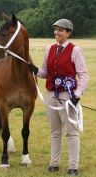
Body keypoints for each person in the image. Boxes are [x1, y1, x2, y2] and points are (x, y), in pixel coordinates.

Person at [28, 19, 88, 176]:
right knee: (55, 131)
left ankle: (73, 167)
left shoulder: (76, 50)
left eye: (61, 30)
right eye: (55, 29)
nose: (56, 33)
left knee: (71, 132)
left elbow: (83, 75)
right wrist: (34, 70)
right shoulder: (49, 49)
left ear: (68, 33)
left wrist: (76, 96)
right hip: (50, 96)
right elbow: (45, 72)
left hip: (67, 96)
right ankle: (54, 164)